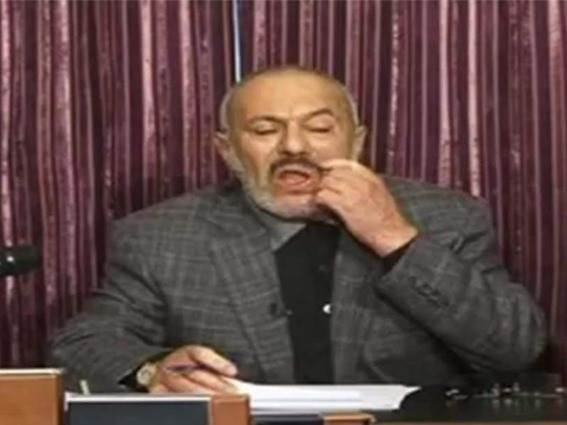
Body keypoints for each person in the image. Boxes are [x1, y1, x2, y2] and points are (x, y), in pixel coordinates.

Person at [50, 66, 546, 394]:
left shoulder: (447, 216)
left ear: (357, 141)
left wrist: (394, 238)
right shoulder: (160, 235)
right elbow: (82, 345)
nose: (293, 147)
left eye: (319, 128)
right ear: (227, 150)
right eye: (265, 130)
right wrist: (151, 370)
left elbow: (515, 349)